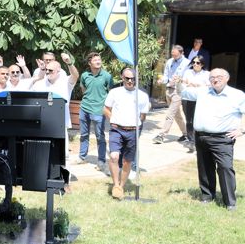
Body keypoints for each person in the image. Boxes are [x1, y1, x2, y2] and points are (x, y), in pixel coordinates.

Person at [180, 68, 242, 211]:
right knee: (205, 167)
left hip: (222, 138)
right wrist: (178, 82)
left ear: (227, 78)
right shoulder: (203, 92)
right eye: (212, 77)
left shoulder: (237, 95)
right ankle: (207, 196)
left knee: (225, 168)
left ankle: (230, 202)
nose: (215, 79)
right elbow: (184, 92)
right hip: (201, 137)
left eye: (219, 77)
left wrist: (242, 130)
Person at [103, 68, 150, 200]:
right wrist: (113, 120)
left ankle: (121, 187)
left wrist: (135, 126)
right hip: (116, 129)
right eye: (127, 78)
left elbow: (143, 116)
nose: (130, 81)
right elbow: (106, 108)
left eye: (133, 79)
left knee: (127, 161)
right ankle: (116, 184)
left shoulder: (142, 95)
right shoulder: (114, 92)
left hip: (133, 131)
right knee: (114, 156)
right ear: (122, 78)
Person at [77, 53, 113, 171]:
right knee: (83, 134)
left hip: (98, 110)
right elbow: (83, 89)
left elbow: (111, 93)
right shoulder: (84, 75)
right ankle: (82, 157)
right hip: (84, 109)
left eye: (99, 59)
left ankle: (101, 161)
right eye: (95, 60)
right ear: (89, 63)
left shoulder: (107, 76)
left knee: (100, 136)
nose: (98, 61)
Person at [156, 45, 190, 144]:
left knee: (170, 113)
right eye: (172, 54)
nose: (173, 56)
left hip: (178, 91)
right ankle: (186, 134)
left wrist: (178, 81)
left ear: (181, 53)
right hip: (168, 90)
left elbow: (187, 79)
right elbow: (166, 76)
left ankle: (161, 135)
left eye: (175, 55)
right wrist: (162, 80)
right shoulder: (169, 61)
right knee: (177, 115)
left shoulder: (187, 63)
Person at [176, 57, 209, 154]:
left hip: (200, 99)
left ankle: (198, 140)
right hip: (187, 98)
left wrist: (197, 85)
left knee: (198, 120)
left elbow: (210, 86)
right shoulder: (188, 72)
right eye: (193, 62)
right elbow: (184, 83)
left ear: (202, 64)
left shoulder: (206, 74)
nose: (195, 64)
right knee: (189, 120)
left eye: (197, 63)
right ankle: (191, 141)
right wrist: (180, 81)